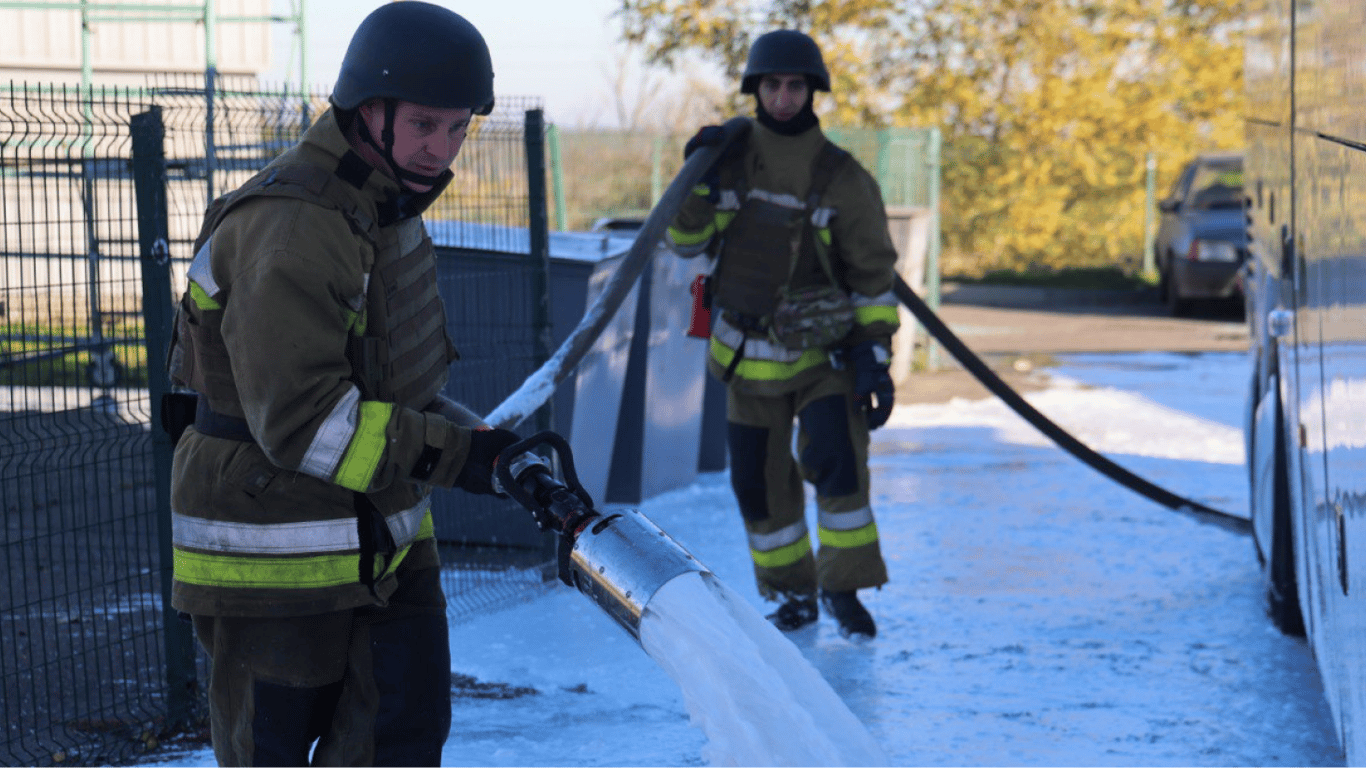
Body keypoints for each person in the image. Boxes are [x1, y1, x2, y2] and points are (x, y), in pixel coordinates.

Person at [165, 3, 527, 765]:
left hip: (382, 541)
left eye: (459, 129)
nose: (442, 150)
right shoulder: (296, 227)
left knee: (401, 741)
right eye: (426, 125)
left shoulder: (382, 205)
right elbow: (307, 423)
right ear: (369, 111)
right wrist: (462, 459)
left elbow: (399, 382)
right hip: (271, 552)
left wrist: (492, 449)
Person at [668, 29, 900, 639]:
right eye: (772, 84)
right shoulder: (727, 162)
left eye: (795, 85)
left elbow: (873, 278)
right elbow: (685, 243)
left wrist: (875, 357)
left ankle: (844, 589)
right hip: (746, 360)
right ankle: (793, 594)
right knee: (759, 486)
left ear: (813, 91)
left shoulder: (843, 178)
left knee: (835, 463)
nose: (783, 96)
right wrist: (696, 176)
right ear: (756, 89)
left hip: (826, 359)